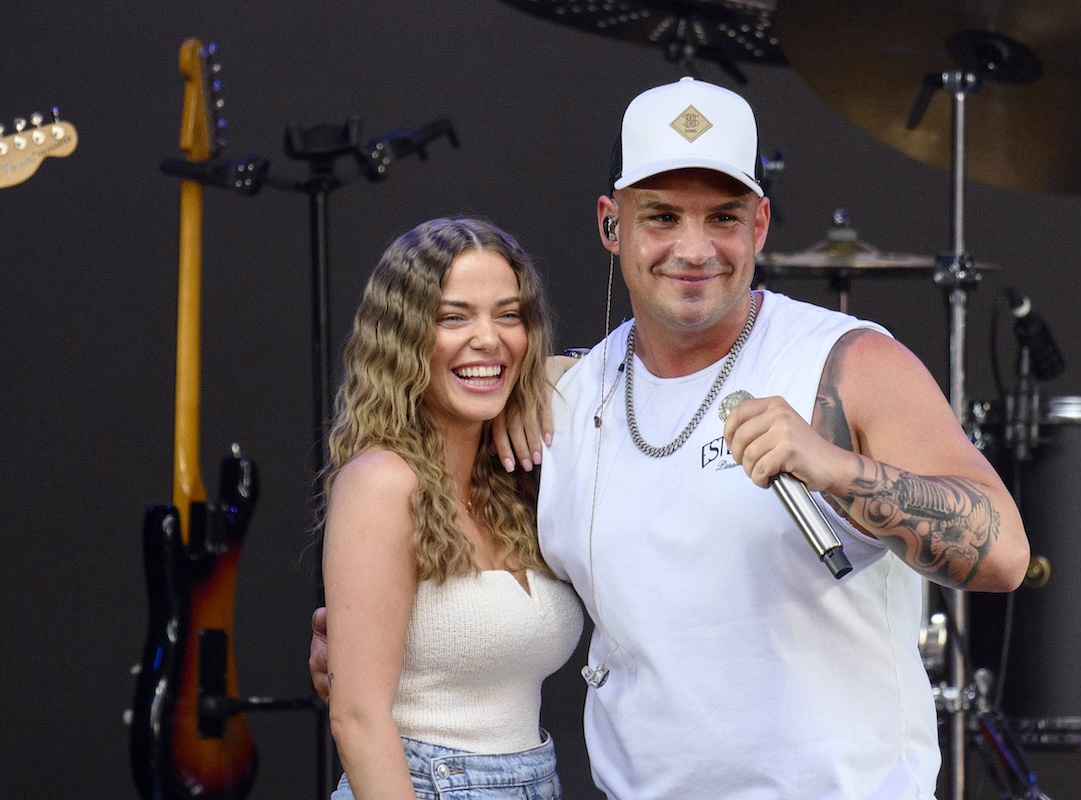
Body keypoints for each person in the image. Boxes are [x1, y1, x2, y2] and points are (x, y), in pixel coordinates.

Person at [313, 78, 1030, 799]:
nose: (693, 249)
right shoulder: (561, 400)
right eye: (661, 216)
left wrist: (834, 466)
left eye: (722, 216)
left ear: (759, 223)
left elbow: (1003, 555)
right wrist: (372, 653)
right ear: (611, 223)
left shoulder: (849, 362)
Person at [317, 216, 583, 800]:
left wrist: (553, 370)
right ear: (403, 335)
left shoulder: (520, 479)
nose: (488, 339)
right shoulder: (381, 482)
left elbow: (632, 378)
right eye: (453, 316)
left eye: (508, 315)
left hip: (533, 779)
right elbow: (356, 719)